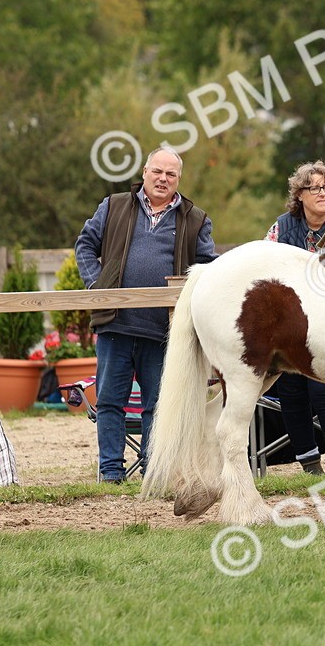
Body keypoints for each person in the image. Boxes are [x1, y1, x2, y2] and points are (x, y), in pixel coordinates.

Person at [75, 146, 217, 482]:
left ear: (178, 179)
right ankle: (110, 471)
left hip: (164, 331)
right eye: (157, 171)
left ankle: (153, 469)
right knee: (110, 401)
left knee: (158, 405)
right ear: (144, 173)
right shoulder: (114, 206)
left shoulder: (195, 219)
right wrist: (97, 286)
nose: (163, 179)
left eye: (171, 174)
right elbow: (85, 244)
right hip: (115, 325)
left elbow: (207, 268)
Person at [265, 161, 325, 473]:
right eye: (314, 187)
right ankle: (310, 465)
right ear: (300, 195)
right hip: (294, 323)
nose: (323, 193)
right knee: (290, 387)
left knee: (322, 384)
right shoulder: (282, 227)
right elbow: (264, 265)